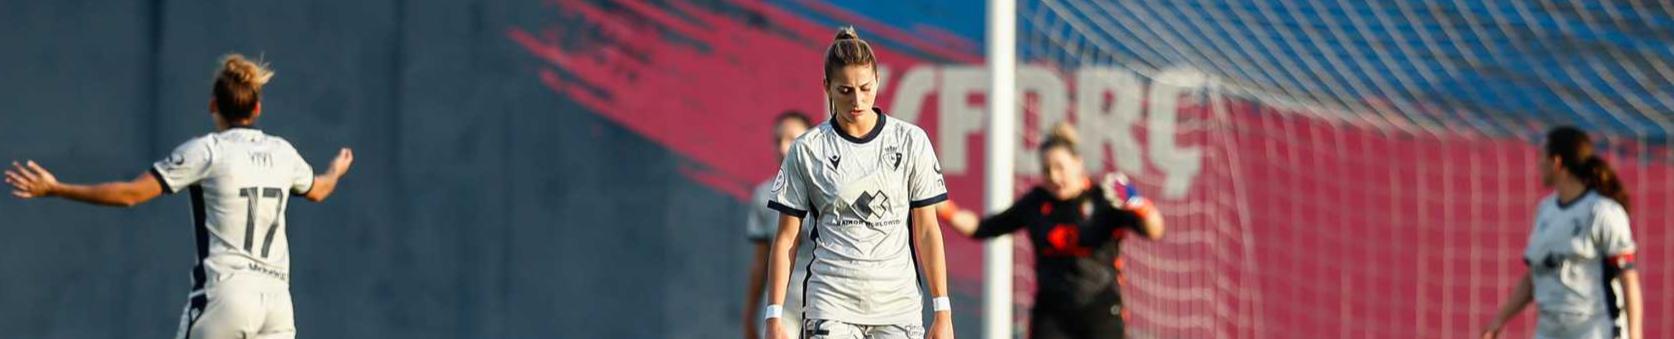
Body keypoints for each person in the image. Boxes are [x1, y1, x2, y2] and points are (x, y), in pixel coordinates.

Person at [4, 54, 355, 339]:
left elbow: (130, 194)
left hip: (226, 296)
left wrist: (56, 188)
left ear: (213, 105)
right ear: (257, 108)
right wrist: (335, 169)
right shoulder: (282, 153)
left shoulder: (208, 152)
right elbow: (319, 189)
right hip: (276, 302)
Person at [763, 26, 955, 339]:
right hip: (830, 303)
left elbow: (927, 230)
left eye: (866, 88)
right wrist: (774, 315)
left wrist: (942, 312)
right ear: (827, 87)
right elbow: (786, 238)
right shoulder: (808, 149)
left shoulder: (911, 141)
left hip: (898, 307)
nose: (857, 100)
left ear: (878, 80)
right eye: (845, 90)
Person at [940, 122, 1163, 339]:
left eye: (1060, 168)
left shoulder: (1103, 198)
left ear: (1078, 164)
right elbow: (980, 228)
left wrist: (1140, 205)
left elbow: (1154, 231)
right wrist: (938, 204)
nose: (1054, 177)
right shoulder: (1036, 203)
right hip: (1052, 315)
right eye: (1047, 170)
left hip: (1101, 309)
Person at [1481, 126, 1643, 339]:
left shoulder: (1603, 212)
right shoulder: (1545, 211)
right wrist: (1498, 321)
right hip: (1550, 332)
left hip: (1596, 331)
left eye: (1542, 157)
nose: (1538, 163)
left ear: (1557, 162)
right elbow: (1533, 277)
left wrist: (1635, 335)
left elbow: (1628, 279)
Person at [744, 111, 814, 339]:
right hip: (783, 307)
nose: (784, 148)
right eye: (778, 141)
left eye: (792, 139)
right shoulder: (765, 195)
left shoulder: (828, 190)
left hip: (826, 301)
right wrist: (750, 316)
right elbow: (760, 262)